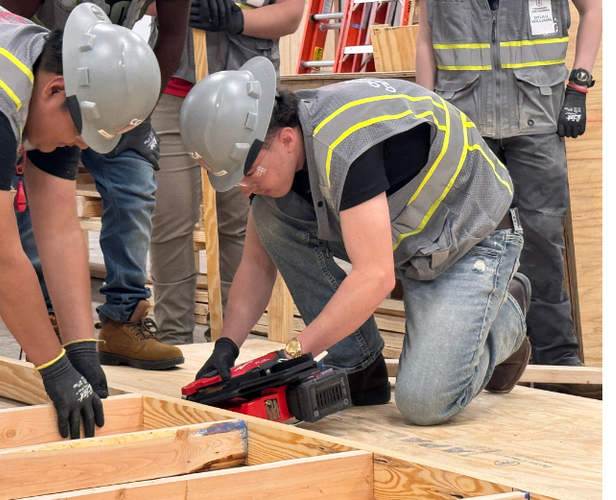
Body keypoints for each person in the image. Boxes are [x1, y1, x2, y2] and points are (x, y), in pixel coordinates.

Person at [180, 58, 533, 425]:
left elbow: (376, 276)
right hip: (410, 245)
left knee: (424, 403)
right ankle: (358, 365)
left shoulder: (345, 147)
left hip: (470, 240)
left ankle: (506, 314)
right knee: (270, 218)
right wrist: (226, 347)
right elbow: (256, 263)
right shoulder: (283, 144)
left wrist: (295, 353)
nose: (244, 187)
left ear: (285, 139)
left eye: (249, 173)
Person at [0, 0, 161, 438]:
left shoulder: (64, 84)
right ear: (55, 92)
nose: (80, 146)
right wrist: (54, 368)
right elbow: (0, 260)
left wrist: (81, 346)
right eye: (81, 134)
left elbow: (60, 230)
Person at [414, 0, 602, 399]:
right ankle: (478, 357)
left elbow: (594, 8)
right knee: (465, 243)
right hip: (465, 124)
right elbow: (426, 36)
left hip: (536, 117)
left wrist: (580, 84)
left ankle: (556, 362)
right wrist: (426, 111)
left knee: (541, 238)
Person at [0, 0, 192, 370]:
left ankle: (124, 319)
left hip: (112, 85)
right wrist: (21, 107)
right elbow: (7, 21)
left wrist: (136, 110)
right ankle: (51, 321)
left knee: (134, 187)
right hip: (50, 85)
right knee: (33, 203)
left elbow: (171, 37)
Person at [148, 0, 305, 345]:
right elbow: (138, 7)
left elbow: (291, 15)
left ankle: (229, 338)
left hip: (243, 100)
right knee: (170, 216)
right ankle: (172, 337)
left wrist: (236, 18)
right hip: (175, 91)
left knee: (237, 223)